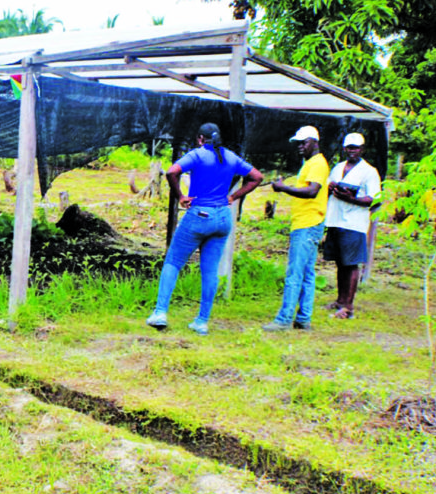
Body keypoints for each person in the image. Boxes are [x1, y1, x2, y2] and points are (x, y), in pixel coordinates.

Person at [146, 123, 263, 335]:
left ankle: (160, 313)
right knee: (210, 271)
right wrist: (234, 196)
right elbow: (257, 177)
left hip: (199, 214)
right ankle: (201, 322)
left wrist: (181, 196)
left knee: (173, 261)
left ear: (201, 138)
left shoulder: (198, 155)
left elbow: (172, 172)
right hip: (222, 218)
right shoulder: (230, 156)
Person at [262, 125, 330, 332]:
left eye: (304, 142)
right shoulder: (310, 163)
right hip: (307, 223)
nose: (300, 146)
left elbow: (312, 191)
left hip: (307, 224)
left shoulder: (318, 163)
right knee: (307, 274)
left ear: (315, 142)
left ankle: (284, 319)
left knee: (295, 273)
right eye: (298, 143)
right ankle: (303, 318)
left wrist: (283, 188)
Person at [323, 132, 381, 320]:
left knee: (351, 264)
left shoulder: (369, 171)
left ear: (362, 149)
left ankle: (348, 306)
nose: (352, 151)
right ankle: (340, 301)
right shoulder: (339, 167)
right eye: (349, 147)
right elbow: (327, 188)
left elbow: (374, 200)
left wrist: (352, 198)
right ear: (344, 148)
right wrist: (331, 188)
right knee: (340, 262)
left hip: (354, 222)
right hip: (335, 219)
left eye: (355, 148)